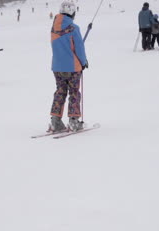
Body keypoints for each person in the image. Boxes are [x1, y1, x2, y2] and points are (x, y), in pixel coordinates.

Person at [49, 1, 88, 132]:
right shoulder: (74, 28)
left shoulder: (53, 28)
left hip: (57, 66)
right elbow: (79, 49)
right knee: (74, 93)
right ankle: (74, 121)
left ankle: (55, 121)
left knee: (60, 92)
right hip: (72, 67)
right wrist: (83, 62)